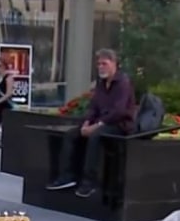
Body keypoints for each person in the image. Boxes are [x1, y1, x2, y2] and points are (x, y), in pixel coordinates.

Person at [45, 49, 136, 199]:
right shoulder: (101, 84)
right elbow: (94, 106)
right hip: (100, 122)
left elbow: (118, 112)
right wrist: (87, 123)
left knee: (95, 136)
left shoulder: (123, 83)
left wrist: (97, 125)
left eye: (104, 64)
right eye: (99, 64)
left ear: (114, 64)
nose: (100, 67)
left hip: (119, 125)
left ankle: (90, 182)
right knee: (72, 135)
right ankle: (68, 175)